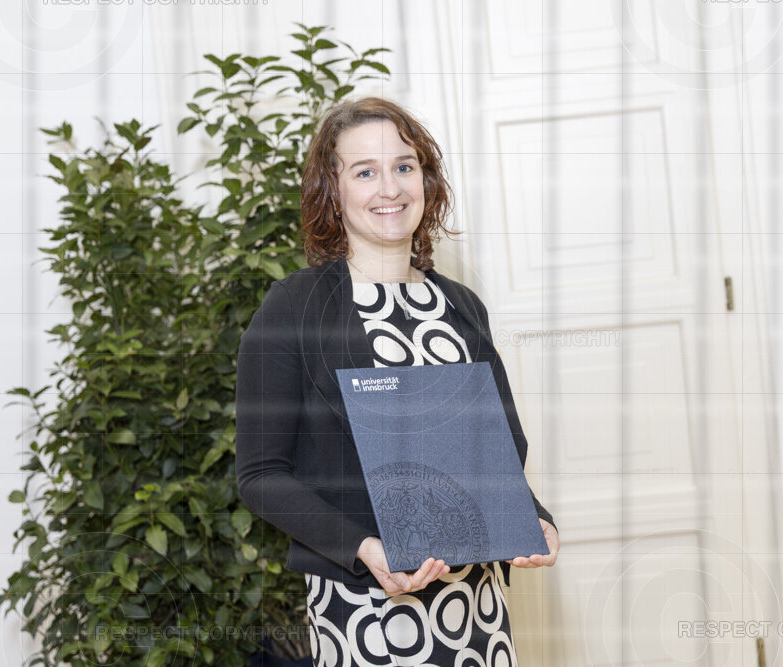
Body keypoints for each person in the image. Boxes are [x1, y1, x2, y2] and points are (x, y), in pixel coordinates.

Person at [235, 96, 559, 667]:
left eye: (404, 166)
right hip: (364, 608)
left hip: (476, 608)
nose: (390, 188)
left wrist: (535, 519)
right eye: (365, 172)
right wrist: (364, 548)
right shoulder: (294, 307)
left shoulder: (461, 306)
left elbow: (498, 449)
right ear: (332, 190)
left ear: (425, 181)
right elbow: (261, 476)